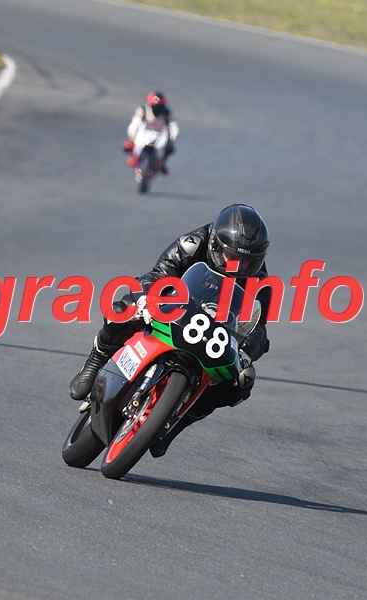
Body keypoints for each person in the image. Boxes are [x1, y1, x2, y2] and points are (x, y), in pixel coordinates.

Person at [69, 203, 272, 457]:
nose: (238, 267)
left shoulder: (261, 283)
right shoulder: (192, 244)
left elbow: (259, 329)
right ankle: (95, 361)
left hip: (215, 331)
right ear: (216, 244)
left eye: (248, 261)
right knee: (124, 308)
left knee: (239, 385)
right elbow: (159, 273)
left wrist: (246, 354)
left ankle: (174, 426)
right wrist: (147, 297)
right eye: (232, 257)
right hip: (174, 304)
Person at [123, 91, 179, 174]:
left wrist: (172, 138)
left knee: (169, 148)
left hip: (160, 133)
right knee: (131, 144)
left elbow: (173, 126)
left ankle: (161, 163)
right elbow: (135, 123)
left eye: (159, 107)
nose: (157, 109)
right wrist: (132, 136)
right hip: (145, 131)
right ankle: (134, 157)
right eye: (154, 106)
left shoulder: (167, 113)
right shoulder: (143, 110)